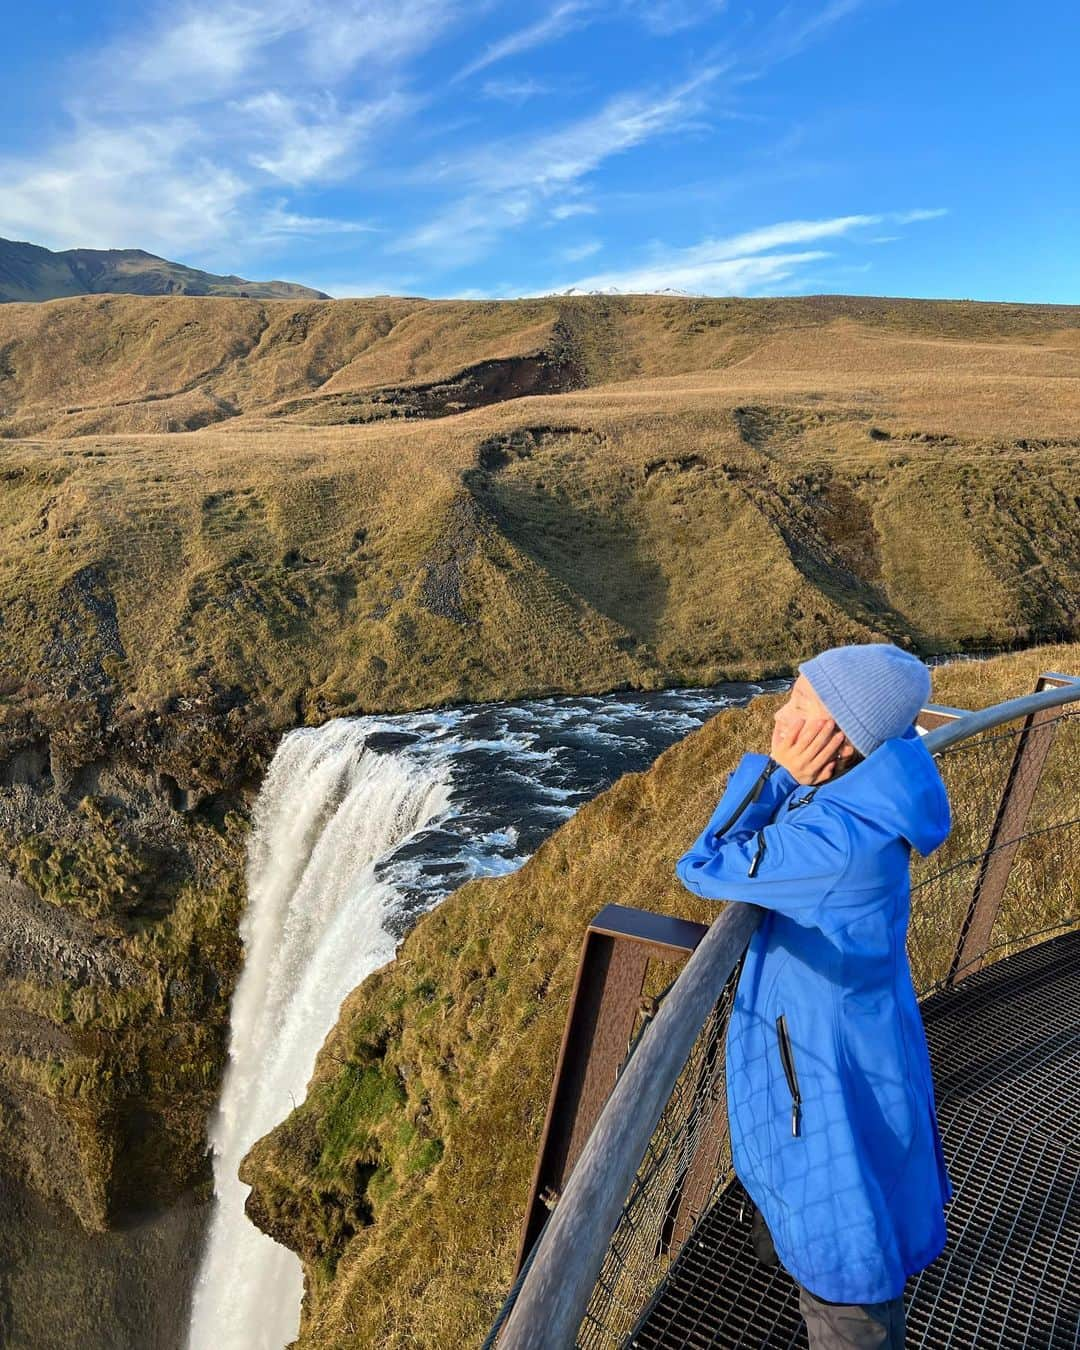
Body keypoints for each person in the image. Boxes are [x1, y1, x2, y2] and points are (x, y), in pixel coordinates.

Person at [675, 642, 955, 1349]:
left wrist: (774, 776)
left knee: (848, 1283)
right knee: (849, 1253)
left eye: (799, 704)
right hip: (852, 1072)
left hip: (828, 1099)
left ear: (841, 735)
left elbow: (703, 866)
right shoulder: (859, 804)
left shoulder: (836, 844)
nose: (779, 716)